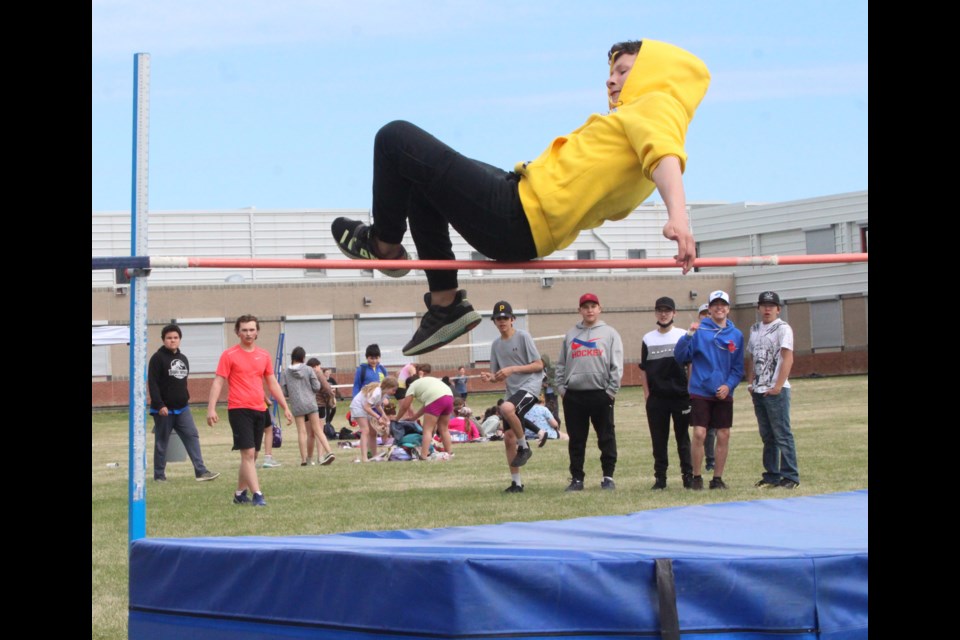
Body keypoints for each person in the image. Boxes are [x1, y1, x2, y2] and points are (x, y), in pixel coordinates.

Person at [330, 39, 709, 356]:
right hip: (519, 203)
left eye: (623, 72)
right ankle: (445, 301)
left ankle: (384, 246)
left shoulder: (657, 105)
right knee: (418, 175)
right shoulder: (637, 118)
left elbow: (664, 158)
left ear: (653, 73)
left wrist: (679, 217)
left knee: (394, 138)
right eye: (609, 74)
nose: (611, 82)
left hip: (517, 213)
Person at [206, 315, 293, 507]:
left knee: (251, 456)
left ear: (257, 332)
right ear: (237, 332)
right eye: (244, 330)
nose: (248, 333)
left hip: (259, 409)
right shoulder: (229, 355)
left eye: (252, 329)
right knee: (248, 453)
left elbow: (272, 382)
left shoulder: (264, 355)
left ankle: (239, 493)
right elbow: (218, 381)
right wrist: (211, 408)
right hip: (238, 409)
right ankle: (258, 495)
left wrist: (286, 407)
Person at [674, 290, 744, 491]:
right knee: (699, 433)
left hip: (723, 392)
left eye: (723, 304)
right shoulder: (699, 331)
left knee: (723, 434)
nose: (719, 308)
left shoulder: (736, 335)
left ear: (728, 309)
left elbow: (738, 368)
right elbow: (680, 357)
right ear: (709, 308)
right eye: (715, 304)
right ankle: (696, 477)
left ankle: (717, 479)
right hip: (700, 390)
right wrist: (688, 335)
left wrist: (728, 386)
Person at [556, 293, 624, 492]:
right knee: (577, 440)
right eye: (585, 306)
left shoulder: (610, 333)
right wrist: (562, 389)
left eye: (593, 306)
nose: (589, 310)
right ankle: (577, 478)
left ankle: (608, 476)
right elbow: (560, 364)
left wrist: (611, 391)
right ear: (580, 310)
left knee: (606, 437)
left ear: (599, 308)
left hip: (601, 394)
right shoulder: (571, 335)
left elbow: (616, 365)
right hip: (574, 395)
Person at [479, 301, 544, 493]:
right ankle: (516, 483)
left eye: (505, 317)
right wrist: (488, 377)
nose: (502, 321)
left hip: (530, 386)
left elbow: (539, 365)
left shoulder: (523, 336)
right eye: (498, 318)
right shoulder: (496, 345)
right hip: (512, 391)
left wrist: (513, 369)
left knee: (506, 408)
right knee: (508, 438)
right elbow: (495, 376)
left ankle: (524, 447)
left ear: (512, 319)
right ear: (494, 322)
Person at [147, 324, 220, 483]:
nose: (172, 340)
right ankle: (159, 475)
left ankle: (201, 471)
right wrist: (160, 405)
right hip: (164, 410)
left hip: (182, 409)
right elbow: (153, 384)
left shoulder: (183, 359)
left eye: (175, 338)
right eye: (169, 338)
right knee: (162, 442)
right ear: (163, 340)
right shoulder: (157, 358)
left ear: (179, 339)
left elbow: (181, 383)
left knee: (192, 436)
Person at [638, 297, 693, 490]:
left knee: (683, 439)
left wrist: (689, 390)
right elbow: (643, 369)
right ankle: (660, 478)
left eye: (667, 310)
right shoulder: (647, 338)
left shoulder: (683, 335)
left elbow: (690, 364)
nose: (664, 314)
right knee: (659, 440)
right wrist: (647, 394)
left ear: (674, 313)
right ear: (655, 313)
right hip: (657, 399)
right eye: (660, 310)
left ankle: (688, 475)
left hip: (680, 397)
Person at [747, 291, 800, 490]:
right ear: (759, 308)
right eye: (764, 305)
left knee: (782, 433)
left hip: (776, 390)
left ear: (778, 309)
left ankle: (790, 476)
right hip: (759, 390)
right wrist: (750, 383)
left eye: (771, 305)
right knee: (767, 436)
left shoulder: (783, 328)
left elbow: (788, 357)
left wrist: (778, 386)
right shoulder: (754, 329)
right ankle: (771, 475)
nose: (767, 308)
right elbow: (751, 357)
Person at [282, 348, 335, 467]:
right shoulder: (309, 369)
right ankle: (329, 451)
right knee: (317, 429)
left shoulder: (286, 373)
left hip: (297, 404)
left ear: (292, 358)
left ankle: (303, 459)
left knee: (302, 432)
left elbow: (284, 391)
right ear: (303, 358)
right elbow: (316, 386)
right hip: (311, 402)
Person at [396, 373, 455, 461]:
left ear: (407, 385)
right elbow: (427, 406)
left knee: (427, 429)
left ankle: (423, 456)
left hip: (436, 398)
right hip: (449, 396)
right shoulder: (426, 381)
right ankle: (449, 452)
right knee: (444, 429)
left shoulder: (412, 386)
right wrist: (414, 417)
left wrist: (396, 419)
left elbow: (405, 406)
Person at [348, 376, 399, 462]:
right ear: (387, 387)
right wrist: (378, 417)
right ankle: (364, 458)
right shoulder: (377, 392)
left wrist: (384, 415)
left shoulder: (382, 393)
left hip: (365, 408)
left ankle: (374, 455)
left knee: (373, 433)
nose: (394, 392)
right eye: (393, 390)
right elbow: (366, 407)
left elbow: (377, 405)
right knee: (365, 430)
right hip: (358, 407)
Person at [697, 302, 718, 472]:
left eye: (707, 314)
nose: (706, 317)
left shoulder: (719, 335)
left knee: (712, 430)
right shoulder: (695, 335)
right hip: (698, 389)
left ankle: (711, 460)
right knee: (699, 430)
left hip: (716, 388)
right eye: (703, 314)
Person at [540, 353, 561, 425]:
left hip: (553, 391)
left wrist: (548, 383)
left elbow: (557, 378)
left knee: (554, 408)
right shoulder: (541, 369)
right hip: (546, 392)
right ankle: (549, 423)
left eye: (542, 361)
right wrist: (543, 384)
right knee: (547, 408)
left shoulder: (552, 367)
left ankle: (556, 423)